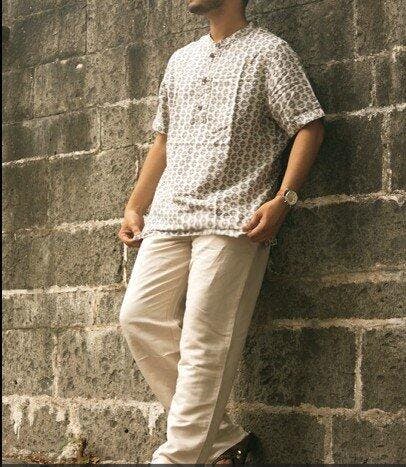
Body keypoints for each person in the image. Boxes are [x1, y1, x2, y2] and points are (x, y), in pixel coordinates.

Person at [118, 0, 325, 463]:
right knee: (138, 318)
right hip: (170, 215)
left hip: (234, 218)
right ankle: (225, 439)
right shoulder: (180, 59)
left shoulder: (269, 52)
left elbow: (308, 124)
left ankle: (178, 457)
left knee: (204, 342)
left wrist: (284, 199)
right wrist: (135, 205)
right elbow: (163, 140)